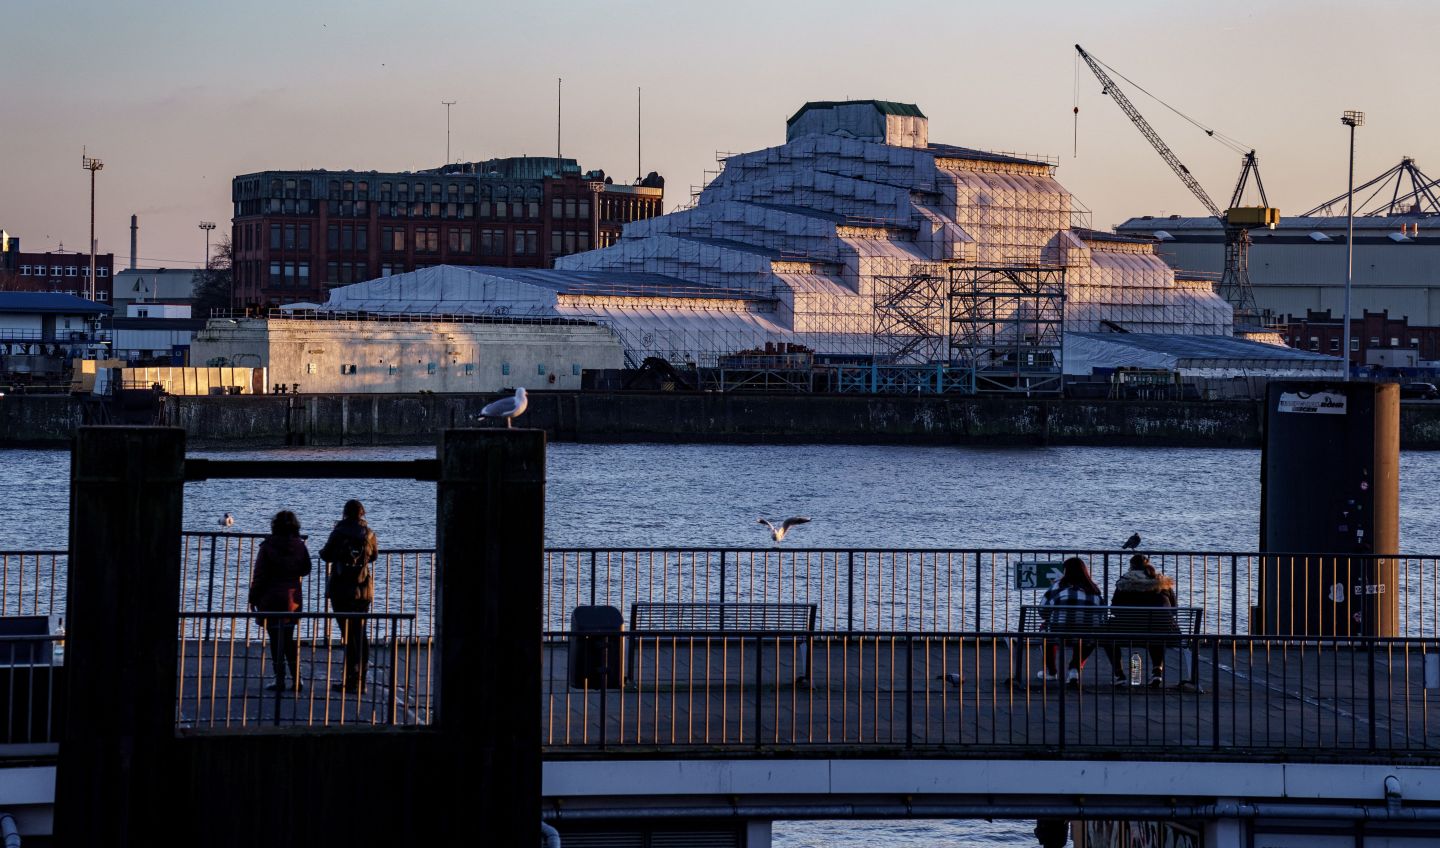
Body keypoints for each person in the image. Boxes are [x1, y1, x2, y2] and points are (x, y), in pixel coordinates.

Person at [247, 510, 312, 692]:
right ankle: (297, 679)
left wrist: (252, 598)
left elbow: (259, 575)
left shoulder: (267, 546)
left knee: (276, 640)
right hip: (292, 599)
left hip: (271, 599)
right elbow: (306, 568)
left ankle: (280, 679)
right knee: (289, 639)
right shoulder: (300, 546)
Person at [320, 499, 378, 692]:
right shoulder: (369, 534)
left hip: (342, 589)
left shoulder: (338, 532)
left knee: (347, 634)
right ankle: (361, 679)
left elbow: (326, 554)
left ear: (345, 513)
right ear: (362, 514)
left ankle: (351, 679)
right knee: (361, 633)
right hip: (363, 590)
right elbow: (375, 555)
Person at [1103, 553, 1179, 688]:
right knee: (1158, 626)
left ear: (1131, 567)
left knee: (1105, 634)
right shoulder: (1162, 584)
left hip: (1128, 632)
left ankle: (1119, 674)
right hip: (1165, 632)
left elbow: (1114, 609)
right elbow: (1173, 609)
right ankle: (1157, 671)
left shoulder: (1125, 582)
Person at [1038, 557, 1106, 684]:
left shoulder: (1057, 586)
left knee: (1045, 629)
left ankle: (1051, 672)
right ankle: (1074, 669)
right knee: (1088, 632)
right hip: (1087, 637)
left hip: (1060, 634)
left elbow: (1042, 611)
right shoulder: (1093, 589)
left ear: (1066, 571)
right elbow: (1101, 616)